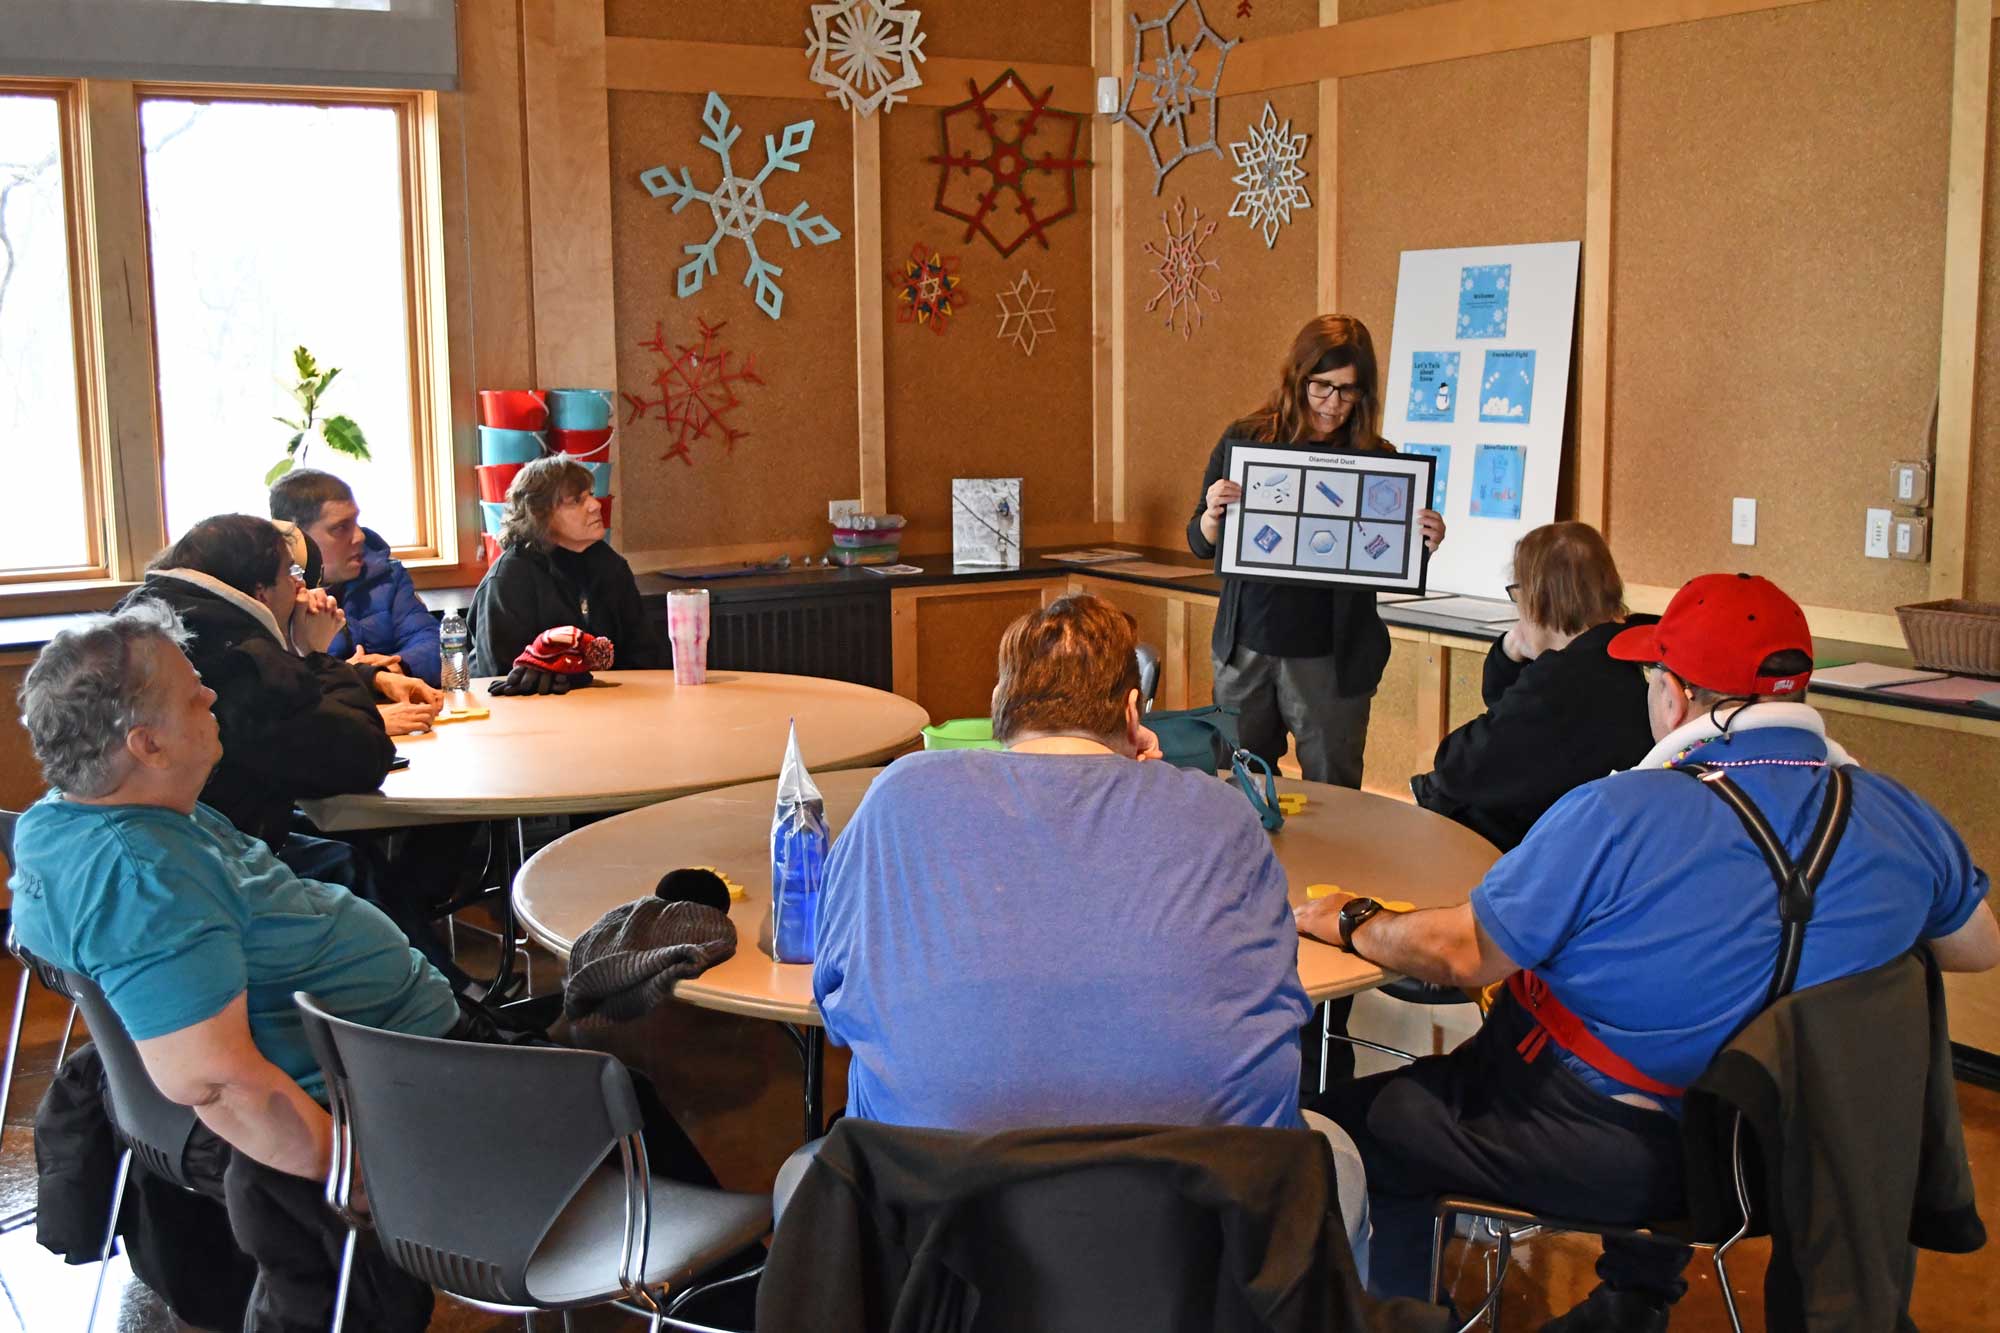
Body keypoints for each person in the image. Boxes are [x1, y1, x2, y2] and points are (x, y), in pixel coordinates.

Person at [1297, 572, 2000, 1330]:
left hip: (1615, 1152)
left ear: (1677, 694)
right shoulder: (1898, 811)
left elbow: (1464, 953)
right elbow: (1975, 945)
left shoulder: (1616, 812)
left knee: (1348, 1133)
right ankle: (1635, 1297)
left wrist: (1355, 918)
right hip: (1803, 1155)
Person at [8, 601, 719, 1332]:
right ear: (146, 743)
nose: (213, 695)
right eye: (193, 693)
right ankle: (729, 1294)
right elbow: (217, 1082)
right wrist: (356, 1179)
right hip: (395, 1090)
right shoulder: (146, 880)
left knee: (592, 1042)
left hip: (388, 1057)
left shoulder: (72, 821)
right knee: (618, 1091)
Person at [811, 593, 1374, 1274]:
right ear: (1134, 715)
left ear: (999, 708)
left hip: (941, 1237)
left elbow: (835, 998)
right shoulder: (1221, 813)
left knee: (807, 1178)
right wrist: (1163, 789)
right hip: (1202, 1243)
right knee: (1336, 1158)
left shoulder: (901, 797)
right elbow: (1274, 1008)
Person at [1187, 314, 1446, 791]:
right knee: (1237, 790)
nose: (1334, 404)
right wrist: (1210, 517)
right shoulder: (1246, 439)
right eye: (1322, 387)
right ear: (1298, 378)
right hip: (1247, 647)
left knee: (1335, 796)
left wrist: (1422, 543)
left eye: (1349, 391)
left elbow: (1389, 560)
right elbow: (1199, 540)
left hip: (1332, 658)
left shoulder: (1380, 459)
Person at [121, 514, 439, 851]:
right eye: (291, 573)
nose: (302, 588)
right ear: (260, 592)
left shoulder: (151, 618)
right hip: (223, 863)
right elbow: (366, 757)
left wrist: (371, 678)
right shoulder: (243, 663)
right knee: (372, 857)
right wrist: (315, 654)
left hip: (164, 844)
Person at [1410, 521, 1655, 850]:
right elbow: (1504, 707)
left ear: (1537, 598)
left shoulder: (1562, 679)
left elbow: (1458, 765)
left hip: (1533, 847)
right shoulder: (1617, 654)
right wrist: (1511, 651)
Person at [467, 455, 665, 684]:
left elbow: (645, 656)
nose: (596, 505)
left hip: (613, 705)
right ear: (539, 514)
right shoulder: (508, 580)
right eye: (577, 501)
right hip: (535, 713)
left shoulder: (610, 565)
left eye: (590, 495)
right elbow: (502, 680)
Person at [269, 467, 442, 686]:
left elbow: (434, 643)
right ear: (296, 539)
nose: (360, 536)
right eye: (341, 528)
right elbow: (283, 685)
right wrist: (359, 676)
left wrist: (397, 667)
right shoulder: (273, 596)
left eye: (356, 522)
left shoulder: (386, 576)